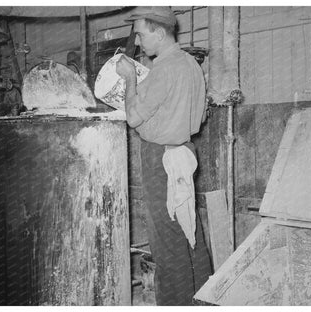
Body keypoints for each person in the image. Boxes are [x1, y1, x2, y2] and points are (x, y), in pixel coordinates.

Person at [115, 6, 212, 306]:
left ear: (158, 31)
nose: (140, 41)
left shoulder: (165, 69)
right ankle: (206, 299)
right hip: (184, 151)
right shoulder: (190, 65)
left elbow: (132, 118)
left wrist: (130, 77)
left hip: (161, 158)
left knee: (166, 243)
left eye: (142, 34)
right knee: (188, 231)